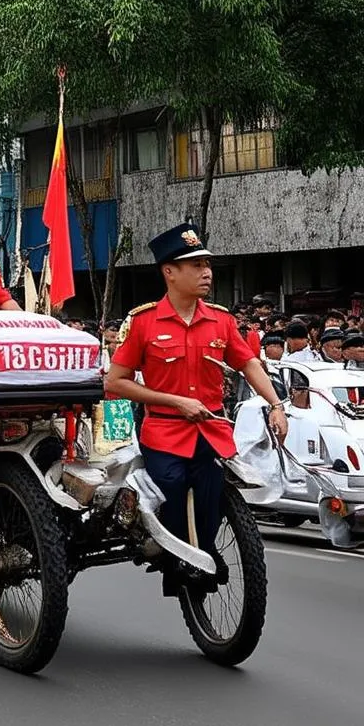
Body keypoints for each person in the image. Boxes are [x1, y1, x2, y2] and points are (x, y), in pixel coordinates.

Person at [105, 223, 287, 596]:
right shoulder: (143, 323)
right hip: (164, 431)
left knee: (212, 490)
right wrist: (174, 401)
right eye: (194, 265)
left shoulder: (221, 319)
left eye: (207, 264)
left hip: (212, 430)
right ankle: (172, 558)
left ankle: (202, 553)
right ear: (169, 272)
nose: (206, 272)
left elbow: (249, 364)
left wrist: (276, 404)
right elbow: (116, 381)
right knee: (170, 483)